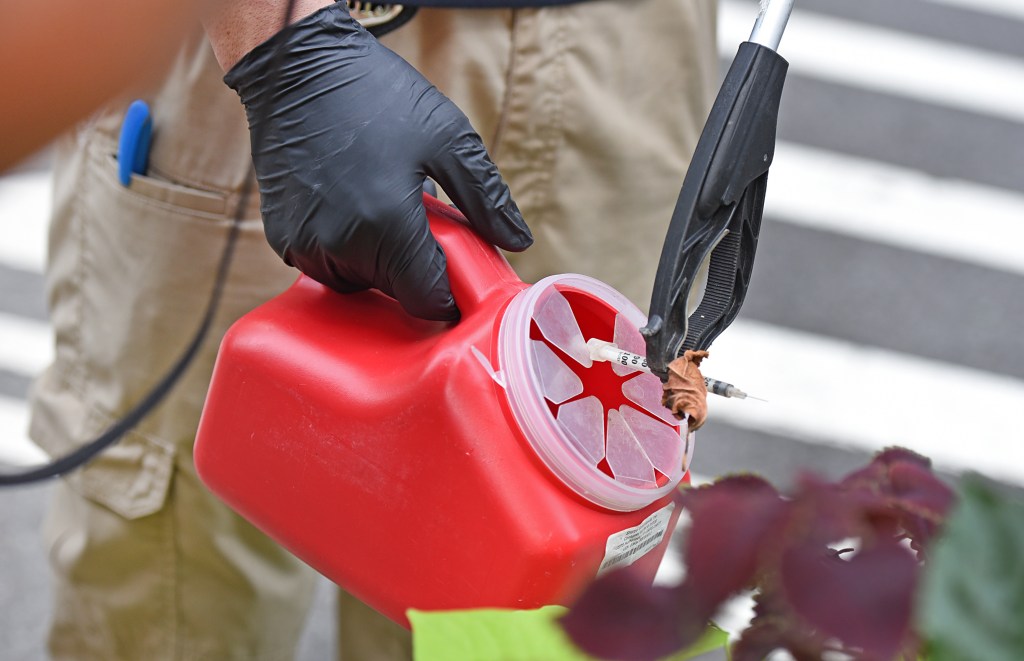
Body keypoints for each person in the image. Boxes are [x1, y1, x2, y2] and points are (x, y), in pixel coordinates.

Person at [27, 1, 718, 659]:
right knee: (182, 591)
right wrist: (283, 46)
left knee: (536, 589)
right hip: (281, 60)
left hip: (626, 64)